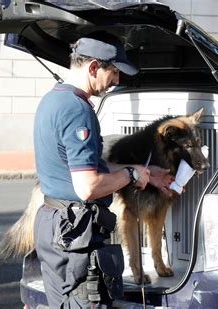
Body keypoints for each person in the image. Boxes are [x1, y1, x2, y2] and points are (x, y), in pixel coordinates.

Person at [33, 31, 173, 308]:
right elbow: (88, 186)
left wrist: (139, 170)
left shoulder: (53, 99)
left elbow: (86, 166)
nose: (118, 80)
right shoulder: (77, 110)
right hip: (75, 234)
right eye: (114, 72)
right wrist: (131, 176)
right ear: (94, 67)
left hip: (54, 224)